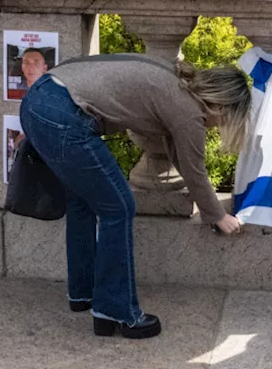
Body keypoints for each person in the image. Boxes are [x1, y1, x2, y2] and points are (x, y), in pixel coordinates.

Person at [18, 55, 252, 339]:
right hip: (64, 115)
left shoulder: (175, 84)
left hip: (38, 100)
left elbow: (181, 157)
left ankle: (83, 293)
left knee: (83, 201)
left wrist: (212, 210)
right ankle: (115, 310)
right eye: (224, 120)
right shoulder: (190, 110)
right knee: (119, 207)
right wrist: (218, 215)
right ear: (221, 104)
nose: (216, 126)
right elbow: (195, 170)